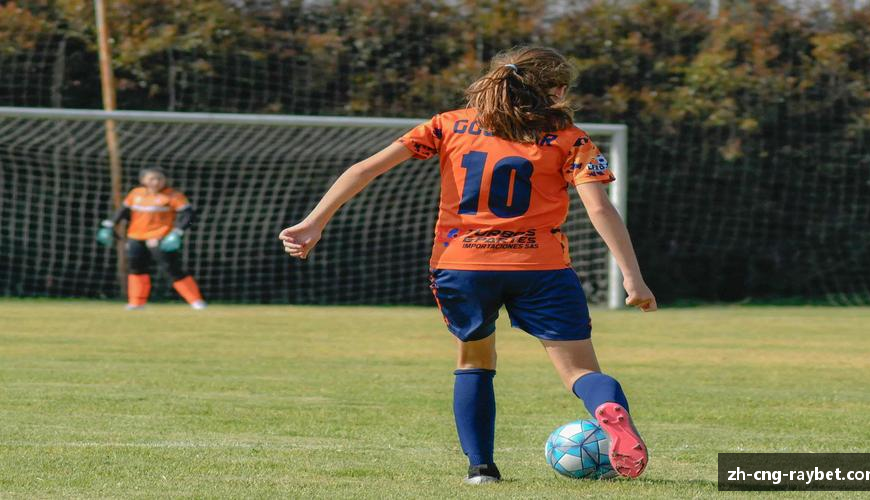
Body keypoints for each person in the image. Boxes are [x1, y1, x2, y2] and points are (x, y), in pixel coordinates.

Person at [279, 46, 656, 484]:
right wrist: (633, 277)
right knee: (581, 371)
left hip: (462, 265)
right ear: (555, 91)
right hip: (541, 267)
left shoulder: (448, 124)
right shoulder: (570, 138)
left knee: (475, 361)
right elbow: (600, 209)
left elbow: (364, 169)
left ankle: (481, 469)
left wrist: (314, 222)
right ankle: (606, 408)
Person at [96, 167, 207, 310]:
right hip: (136, 237)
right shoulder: (136, 194)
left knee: (171, 268)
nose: (156, 182)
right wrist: (109, 225)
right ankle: (136, 303)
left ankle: (196, 301)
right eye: (152, 178)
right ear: (143, 180)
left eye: (159, 178)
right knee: (136, 269)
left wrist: (177, 232)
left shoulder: (173, 196)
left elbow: (189, 215)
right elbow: (123, 211)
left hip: (161, 237)